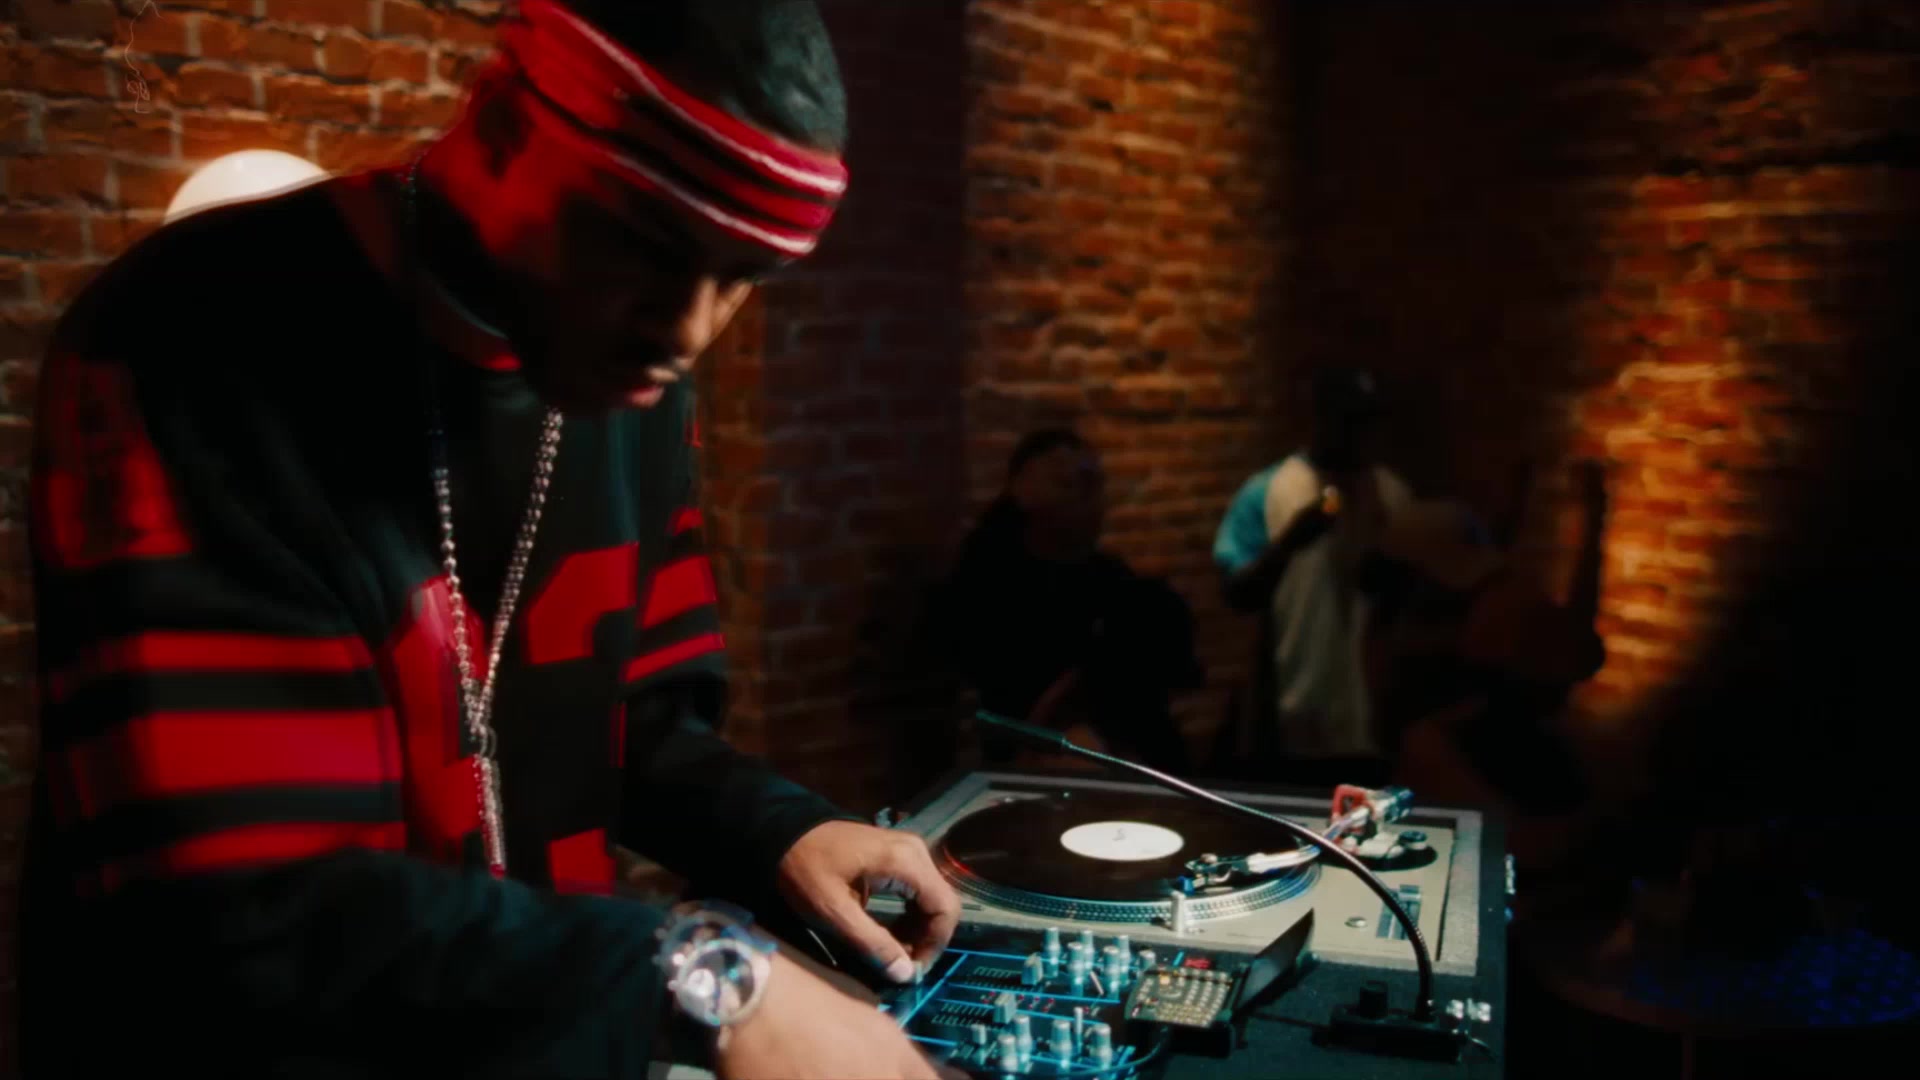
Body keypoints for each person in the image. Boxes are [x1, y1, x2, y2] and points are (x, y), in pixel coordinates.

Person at [18, 2, 960, 1077]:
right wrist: (703, 981)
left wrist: (777, 832)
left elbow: (637, 725)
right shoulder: (185, 332)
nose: (688, 331)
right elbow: (242, 904)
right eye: (648, 245)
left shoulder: (632, 372)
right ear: (504, 123)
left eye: (740, 277)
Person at [932, 430, 1202, 774]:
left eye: (1093, 485)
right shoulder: (988, 577)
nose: (1088, 500)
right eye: (1067, 483)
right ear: (1021, 490)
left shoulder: (1113, 579)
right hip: (1035, 757)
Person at [1211, 367, 1412, 785]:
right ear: (1319, 417)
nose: (1357, 434)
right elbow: (1237, 594)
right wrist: (1289, 544)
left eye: (1367, 421)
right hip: (1292, 718)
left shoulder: (1392, 493)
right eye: (1347, 419)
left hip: (1375, 723)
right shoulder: (1269, 490)